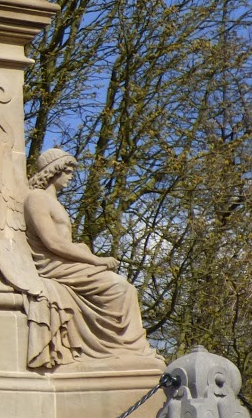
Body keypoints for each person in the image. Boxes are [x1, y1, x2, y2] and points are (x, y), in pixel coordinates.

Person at [21, 148, 154, 358]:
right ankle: (125, 347)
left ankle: (125, 348)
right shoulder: (36, 199)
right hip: (52, 265)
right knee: (120, 288)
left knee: (125, 288)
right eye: (67, 172)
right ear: (53, 171)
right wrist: (94, 259)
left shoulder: (53, 202)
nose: (71, 177)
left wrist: (81, 250)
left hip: (64, 262)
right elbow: (52, 242)